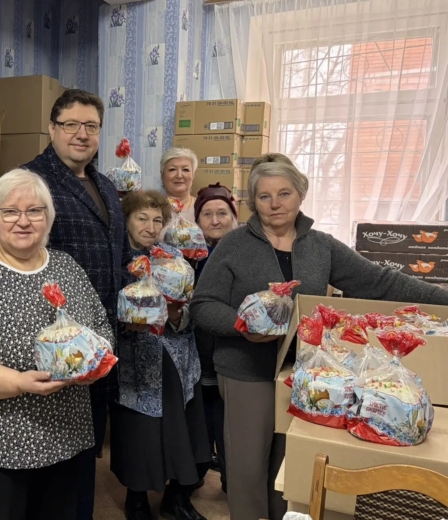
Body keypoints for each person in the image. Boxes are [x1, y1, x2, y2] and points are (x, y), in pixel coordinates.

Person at [190, 159, 448, 520]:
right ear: (253, 201)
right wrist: (241, 326)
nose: (275, 204)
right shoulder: (235, 244)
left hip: (307, 374)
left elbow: (379, 282)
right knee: (247, 464)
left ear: (301, 195)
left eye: (284, 194)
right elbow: (203, 305)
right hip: (245, 369)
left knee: (290, 462)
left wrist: (442, 298)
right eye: (264, 196)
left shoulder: (321, 246)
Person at [0, 169, 112, 520]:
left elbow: (101, 327)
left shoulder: (68, 268)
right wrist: (17, 382)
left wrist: (94, 365)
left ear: (48, 217)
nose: (24, 221)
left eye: (35, 211)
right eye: (11, 211)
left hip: (67, 437)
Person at [23, 88, 130, 520]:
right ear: (52, 128)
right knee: (49, 467)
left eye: (91, 126)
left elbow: (119, 256)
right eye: (71, 124)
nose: (81, 134)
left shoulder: (106, 186)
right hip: (54, 348)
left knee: (84, 455)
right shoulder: (31, 181)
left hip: (99, 345)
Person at [112, 190, 210, 520]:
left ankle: (177, 497)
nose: (150, 227)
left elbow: (193, 304)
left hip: (178, 358)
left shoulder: (174, 259)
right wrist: (129, 322)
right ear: (126, 220)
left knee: (186, 431)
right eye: (142, 218)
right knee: (140, 434)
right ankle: (136, 498)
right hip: (136, 365)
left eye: (157, 220)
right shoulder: (117, 262)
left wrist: (177, 314)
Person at [192, 183, 240, 495]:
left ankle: (231, 480)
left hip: (235, 352)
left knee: (229, 422)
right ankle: (195, 473)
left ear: (233, 217)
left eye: (222, 213)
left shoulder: (244, 252)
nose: (215, 220)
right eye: (207, 214)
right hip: (198, 352)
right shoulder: (189, 256)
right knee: (203, 417)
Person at [160, 147, 198, 221]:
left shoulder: (203, 208)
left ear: (193, 175)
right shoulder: (154, 209)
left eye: (185, 170)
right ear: (162, 175)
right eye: (172, 169)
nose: (179, 176)